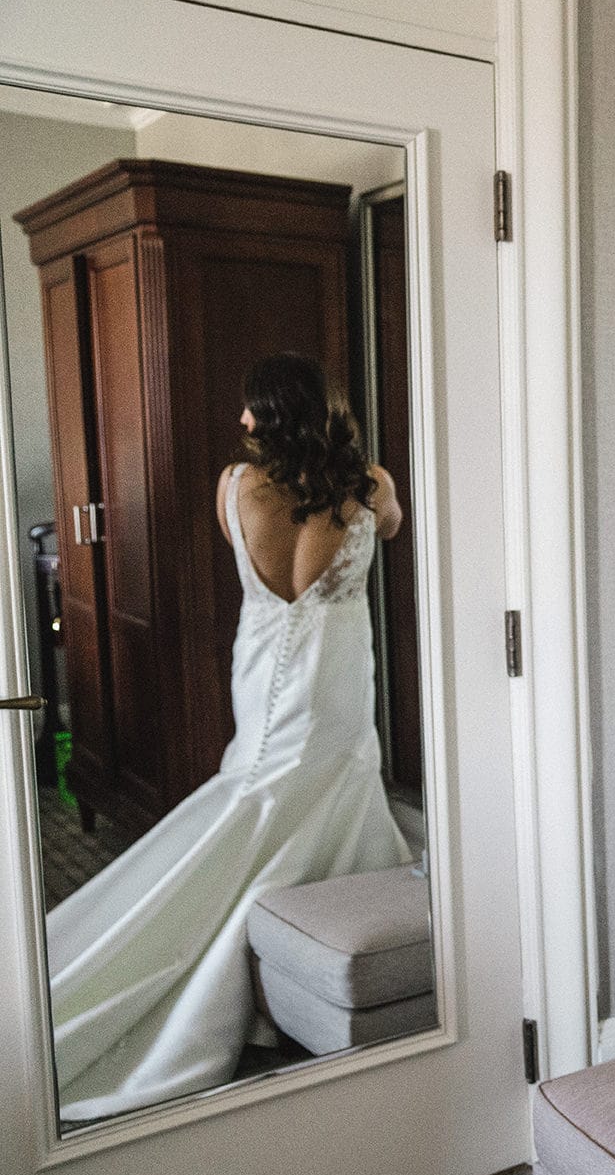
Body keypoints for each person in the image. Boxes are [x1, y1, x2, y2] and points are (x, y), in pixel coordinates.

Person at [46, 352, 411, 1122]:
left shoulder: (234, 486)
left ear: (269, 415)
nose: (240, 421)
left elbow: (247, 559)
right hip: (336, 679)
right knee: (316, 789)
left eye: (250, 409)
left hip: (262, 667)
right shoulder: (366, 485)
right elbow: (393, 527)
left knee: (256, 793)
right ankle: (285, 958)